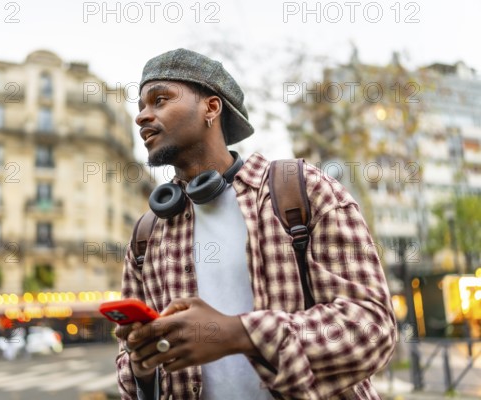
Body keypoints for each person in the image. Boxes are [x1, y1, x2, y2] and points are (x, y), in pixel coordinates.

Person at [115, 48, 397, 400]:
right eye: (140, 106)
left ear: (211, 108)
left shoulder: (301, 191)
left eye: (159, 100)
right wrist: (142, 365)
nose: (142, 116)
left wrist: (238, 334)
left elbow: (371, 328)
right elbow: (130, 375)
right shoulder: (147, 233)